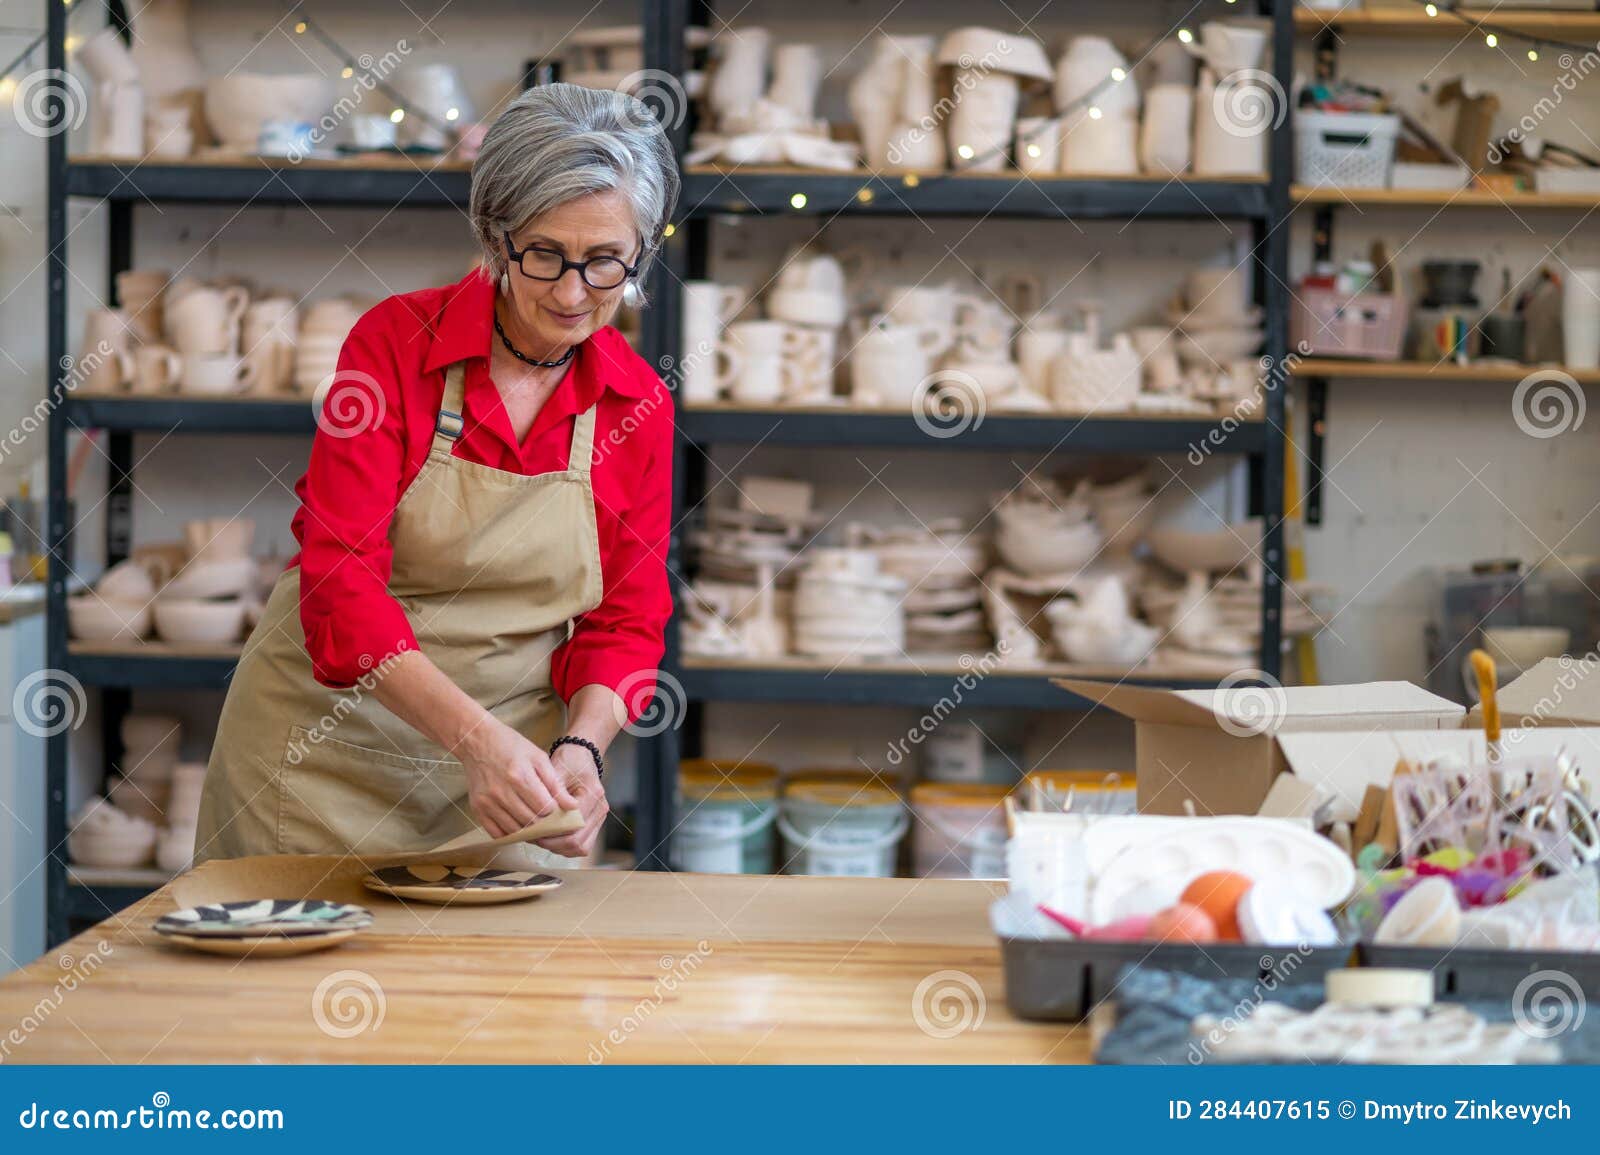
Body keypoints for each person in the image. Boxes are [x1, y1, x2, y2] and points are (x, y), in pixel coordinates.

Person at [194, 84, 678, 868]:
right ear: (495, 234)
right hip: (321, 761)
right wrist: (473, 738)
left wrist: (583, 747)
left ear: (640, 253)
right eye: (544, 254)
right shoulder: (391, 346)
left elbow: (626, 620)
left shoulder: (637, 403)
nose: (571, 293)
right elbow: (339, 584)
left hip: (511, 782)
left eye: (603, 262)